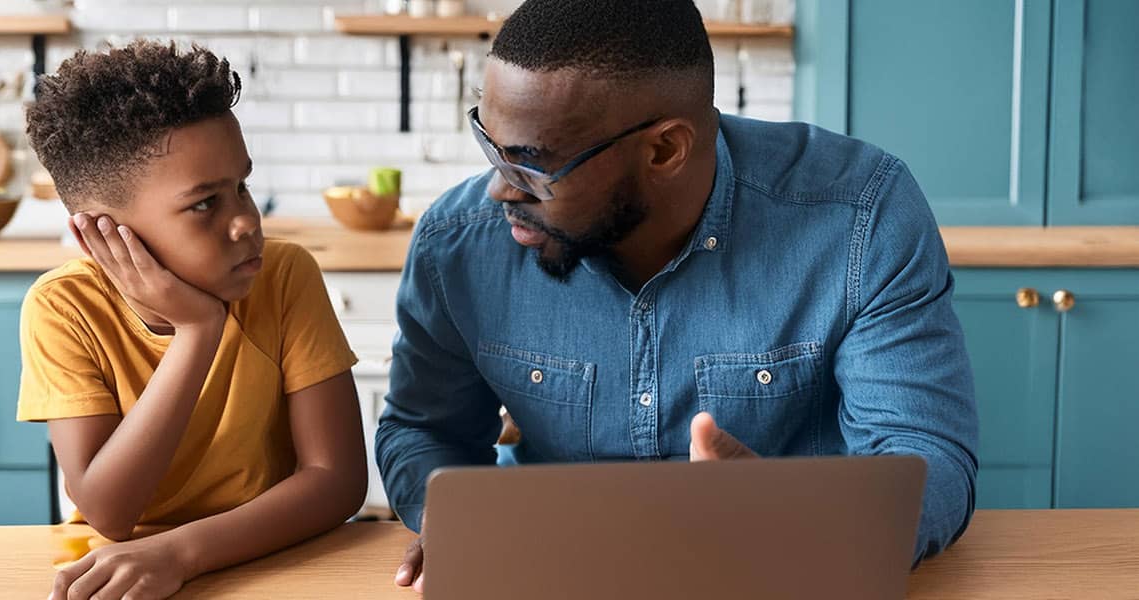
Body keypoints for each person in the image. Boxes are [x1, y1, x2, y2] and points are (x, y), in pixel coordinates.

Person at [376, 0, 979, 590]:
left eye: (531, 166)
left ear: (665, 150)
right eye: (491, 145)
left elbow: (923, 456)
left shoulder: (859, 215)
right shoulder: (456, 245)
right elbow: (424, 430)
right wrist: (455, 524)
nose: (498, 192)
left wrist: (792, 521)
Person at [18, 40, 367, 600]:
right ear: (102, 235)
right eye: (205, 204)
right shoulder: (63, 308)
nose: (246, 222)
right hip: (120, 571)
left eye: (243, 187)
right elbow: (109, 512)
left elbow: (337, 482)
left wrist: (181, 553)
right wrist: (198, 332)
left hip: (269, 556)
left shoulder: (284, 276)